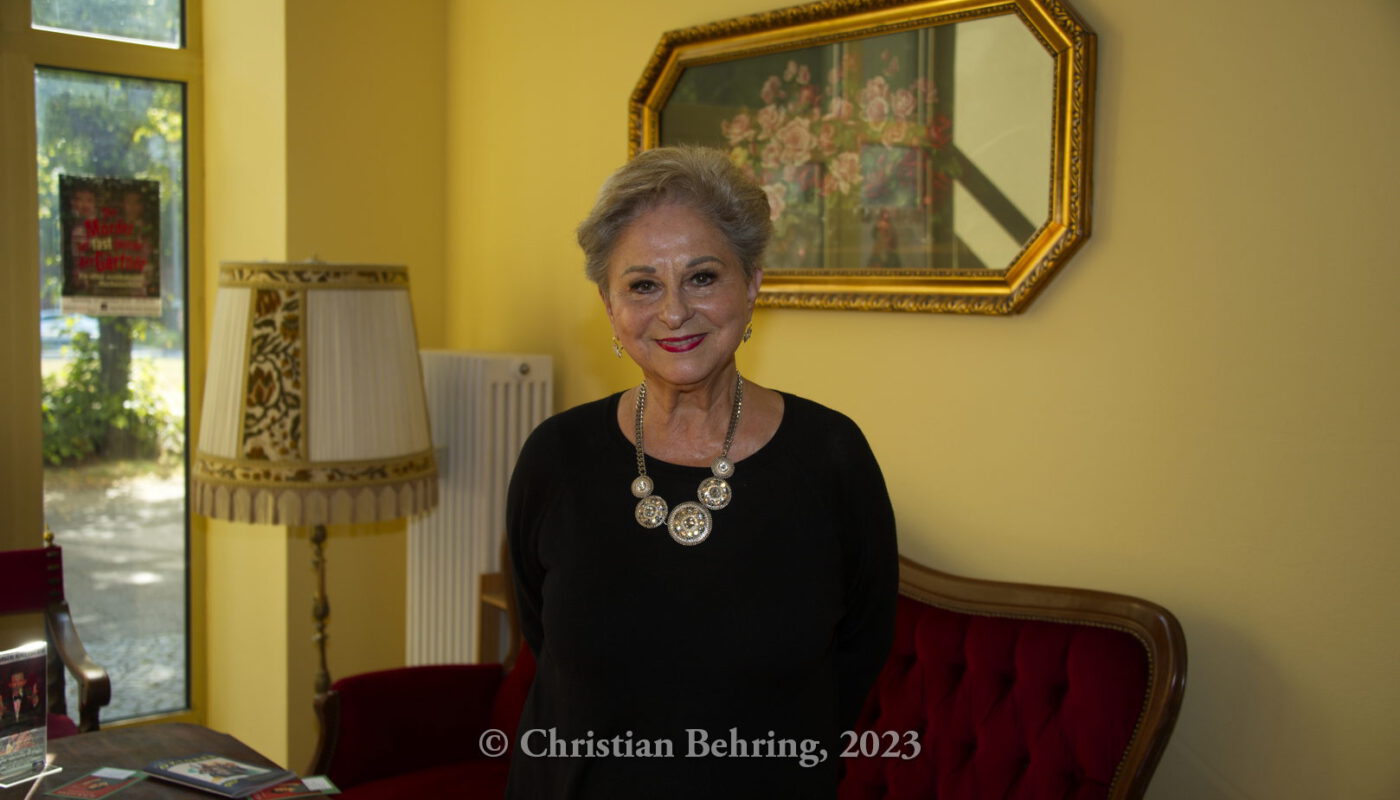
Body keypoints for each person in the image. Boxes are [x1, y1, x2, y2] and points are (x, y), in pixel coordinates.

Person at [506, 146, 898, 798]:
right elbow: (541, 635)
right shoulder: (557, 456)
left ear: (752, 285)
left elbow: (861, 649)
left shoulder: (832, 457)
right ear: (608, 306)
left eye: (703, 277)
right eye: (642, 285)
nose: (673, 312)